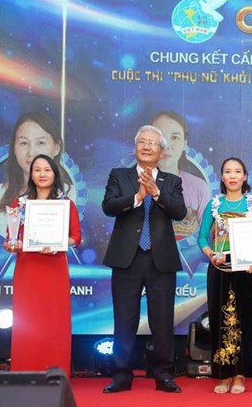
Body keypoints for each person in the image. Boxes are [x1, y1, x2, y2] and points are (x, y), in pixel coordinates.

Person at [102, 125, 187, 393]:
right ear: (135, 147)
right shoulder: (120, 175)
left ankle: (163, 374)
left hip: (160, 259)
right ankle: (121, 375)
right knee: (124, 319)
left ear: (162, 152)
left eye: (153, 143)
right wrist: (138, 197)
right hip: (126, 258)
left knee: (162, 320)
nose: (147, 146)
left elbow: (180, 212)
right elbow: (108, 206)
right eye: (142, 142)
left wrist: (157, 193)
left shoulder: (171, 181)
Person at [2, 154, 81, 376]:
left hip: (54, 268)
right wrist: (13, 245)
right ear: (31, 175)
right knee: (27, 322)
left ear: (55, 174)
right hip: (28, 269)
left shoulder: (66, 204)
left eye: (47, 170)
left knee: (54, 322)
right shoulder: (19, 204)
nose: (42, 174)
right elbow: (11, 237)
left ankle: (55, 374)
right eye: (37, 170)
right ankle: (25, 372)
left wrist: (58, 243)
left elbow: (76, 237)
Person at [197, 157, 252, 394]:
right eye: (228, 171)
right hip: (219, 269)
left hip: (245, 270)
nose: (233, 176)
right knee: (220, 320)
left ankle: (240, 374)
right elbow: (202, 237)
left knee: (245, 319)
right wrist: (210, 254)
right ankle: (223, 374)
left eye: (237, 171)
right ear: (222, 177)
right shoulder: (214, 204)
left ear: (245, 177)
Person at [0, 111, 76, 238]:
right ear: (14, 148)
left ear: (56, 148)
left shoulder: (69, 192)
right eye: (24, 143)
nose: (31, 152)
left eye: (40, 143)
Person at [151, 110, 210, 240]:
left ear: (184, 144)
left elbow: (205, 236)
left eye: (174, 137)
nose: (166, 146)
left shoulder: (199, 187)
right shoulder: (135, 183)